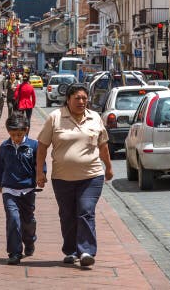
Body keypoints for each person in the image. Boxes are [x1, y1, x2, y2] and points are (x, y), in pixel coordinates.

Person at [36, 84, 113, 268]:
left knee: (85, 211)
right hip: (62, 178)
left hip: (91, 176)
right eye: (77, 98)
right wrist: (40, 171)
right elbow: (42, 146)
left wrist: (108, 167)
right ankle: (70, 251)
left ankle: (86, 251)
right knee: (68, 215)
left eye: (84, 98)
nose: (81, 102)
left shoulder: (94, 118)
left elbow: (103, 145)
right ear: (68, 99)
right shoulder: (55, 117)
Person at [0, 114, 43, 265]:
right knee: (13, 219)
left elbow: (39, 164)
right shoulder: (4, 147)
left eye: (19, 134)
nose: (16, 138)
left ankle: (30, 241)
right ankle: (15, 252)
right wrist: (1, 184)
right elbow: (0, 167)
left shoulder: (33, 146)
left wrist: (41, 176)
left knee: (28, 220)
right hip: (9, 189)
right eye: (13, 134)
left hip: (27, 189)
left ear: (26, 131)